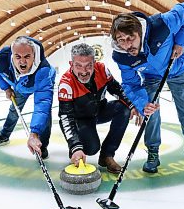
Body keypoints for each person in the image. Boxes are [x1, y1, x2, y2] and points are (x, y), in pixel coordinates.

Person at [110, 1, 184, 173]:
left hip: (177, 68)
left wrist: (180, 42)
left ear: (139, 32)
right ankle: (153, 150)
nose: (127, 45)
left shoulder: (162, 25)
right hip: (152, 76)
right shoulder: (121, 56)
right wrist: (142, 104)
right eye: (121, 40)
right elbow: (130, 83)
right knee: (150, 111)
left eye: (130, 38)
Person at [58, 43, 140, 174]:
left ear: (94, 63)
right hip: (80, 119)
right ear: (71, 64)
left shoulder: (102, 69)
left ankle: (107, 155)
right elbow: (65, 118)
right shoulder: (66, 83)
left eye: (88, 66)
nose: (84, 71)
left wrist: (133, 105)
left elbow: (117, 89)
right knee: (91, 148)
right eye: (78, 65)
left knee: (123, 109)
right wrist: (75, 146)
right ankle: (77, 148)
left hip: (99, 111)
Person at [0, 36, 55, 159]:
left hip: (38, 83)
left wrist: (34, 133)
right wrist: (6, 88)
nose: (22, 62)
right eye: (18, 56)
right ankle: (4, 136)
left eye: (27, 56)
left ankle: (42, 145)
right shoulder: (2, 59)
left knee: (45, 113)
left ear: (34, 55)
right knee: (14, 110)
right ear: (12, 55)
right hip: (21, 86)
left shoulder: (43, 72)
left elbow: (42, 104)